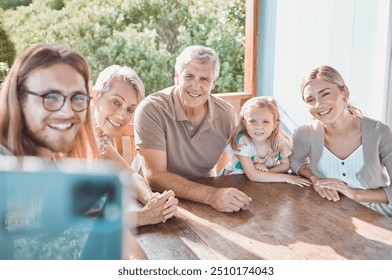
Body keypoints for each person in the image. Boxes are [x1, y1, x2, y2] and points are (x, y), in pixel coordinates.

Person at [0, 43, 147, 259]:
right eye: (50, 96)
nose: (66, 111)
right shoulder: (7, 163)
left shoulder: (51, 163)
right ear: (19, 97)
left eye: (77, 98)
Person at [134, 45, 252, 213]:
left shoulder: (226, 115)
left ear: (214, 83)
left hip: (201, 200)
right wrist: (211, 195)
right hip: (152, 201)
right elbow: (155, 176)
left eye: (204, 79)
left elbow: (229, 159)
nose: (196, 86)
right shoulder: (152, 109)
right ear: (176, 76)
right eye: (189, 76)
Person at [290, 65, 392, 216]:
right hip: (333, 215)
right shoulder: (304, 134)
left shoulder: (379, 132)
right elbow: (296, 162)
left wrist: (354, 194)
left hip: (380, 217)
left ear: (344, 94)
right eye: (310, 100)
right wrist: (314, 178)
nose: (318, 105)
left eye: (325, 94)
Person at [91, 65, 178, 226]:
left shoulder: (99, 137)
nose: (122, 115)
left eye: (130, 109)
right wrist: (142, 217)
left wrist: (152, 199)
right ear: (95, 96)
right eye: (115, 102)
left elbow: (129, 176)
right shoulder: (71, 136)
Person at [220, 96, 311, 187]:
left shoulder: (279, 141)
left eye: (265, 122)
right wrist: (287, 178)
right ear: (245, 124)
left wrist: (268, 171)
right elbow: (253, 175)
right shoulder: (242, 141)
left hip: (260, 184)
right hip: (234, 183)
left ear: (275, 125)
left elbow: (285, 164)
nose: (259, 126)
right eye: (252, 121)